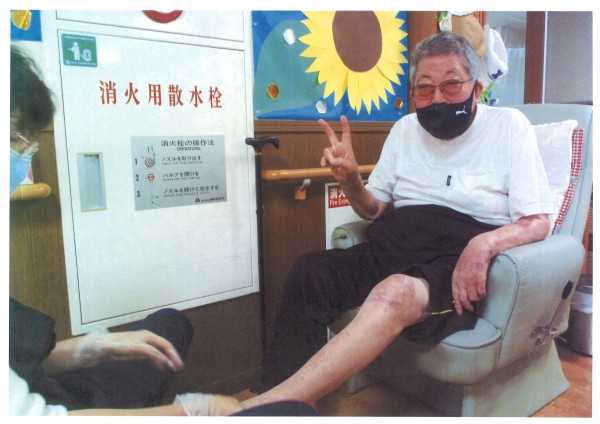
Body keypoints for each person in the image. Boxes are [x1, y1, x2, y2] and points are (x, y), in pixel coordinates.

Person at [243, 31, 554, 409]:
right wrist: (352, 181)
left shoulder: (508, 126)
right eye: (425, 88)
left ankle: (267, 407)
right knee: (310, 271)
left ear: (475, 87)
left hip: (453, 260)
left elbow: (537, 221)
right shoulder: (405, 129)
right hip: (391, 246)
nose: (437, 98)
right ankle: (282, 397)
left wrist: (484, 244)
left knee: (394, 293)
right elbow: (372, 210)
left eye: (451, 84)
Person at [9, 44, 316, 417]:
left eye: (27, 140)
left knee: (168, 326)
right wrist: (190, 411)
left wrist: (95, 348)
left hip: (48, 387)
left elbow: (23, 361)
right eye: (15, 139)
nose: (25, 151)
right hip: (60, 410)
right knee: (295, 414)